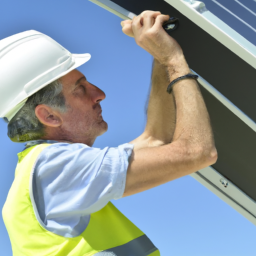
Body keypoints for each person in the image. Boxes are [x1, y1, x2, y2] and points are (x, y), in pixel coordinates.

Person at [2, 11, 217, 256]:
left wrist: (160, 55)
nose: (99, 93)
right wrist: (173, 59)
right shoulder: (55, 166)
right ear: (49, 116)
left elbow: (155, 140)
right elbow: (197, 152)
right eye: (80, 88)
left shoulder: (44, 170)